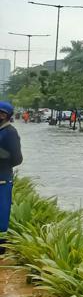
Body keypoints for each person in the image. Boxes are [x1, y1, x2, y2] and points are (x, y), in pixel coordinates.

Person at [0, 101, 23, 254]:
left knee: (1, 211)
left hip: (2, 178)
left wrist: (2, 157)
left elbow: (17, 159)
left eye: (1, 113)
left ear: (6, 115)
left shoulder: (10, 132)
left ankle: (1, 247)